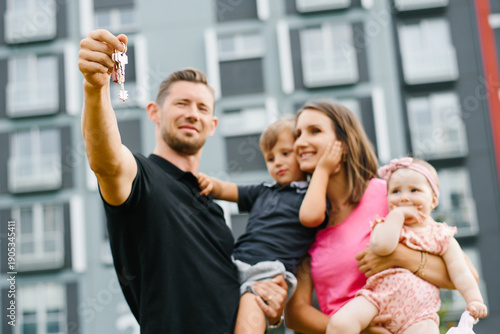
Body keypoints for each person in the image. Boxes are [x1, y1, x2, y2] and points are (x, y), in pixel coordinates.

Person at [78, 29, 287, 333]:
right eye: (181, 104)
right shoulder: (142, 177)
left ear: (212, 125)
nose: (192, 114)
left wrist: (269, 300)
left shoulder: (214, 208)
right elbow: (106, 161)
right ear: (154, 112)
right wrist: (95, 90)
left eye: (202, 108)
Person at [285, 101, 479, 334]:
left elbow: (467, 273)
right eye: (297, 134)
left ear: (345, 143)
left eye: (314, 131)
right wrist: (362, 329)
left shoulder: (389, 195)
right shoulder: (307, 220)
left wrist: (400, 256)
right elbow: (295, 314)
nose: (300, 142)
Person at [326, 157, 488, 334]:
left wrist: (474, 300)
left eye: (414, 190)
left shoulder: (442, 235)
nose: (404, 198)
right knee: (339, 324)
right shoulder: (385, 225)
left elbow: (461, 271)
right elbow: (383, 247)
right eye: (395, 191)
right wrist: (397, 216)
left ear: (433, 200)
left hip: (420, 315)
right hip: (378, 299)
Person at [197, 117, 327, 333]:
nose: (277, 162)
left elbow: (314, 216)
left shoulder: (313, 195)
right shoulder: (263, 190)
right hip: (235, 264)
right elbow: (227, 190)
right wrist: (211, 184)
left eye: (285, 153)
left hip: (269, 270)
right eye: (270, 158)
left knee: (253, 305)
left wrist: (321, 171)